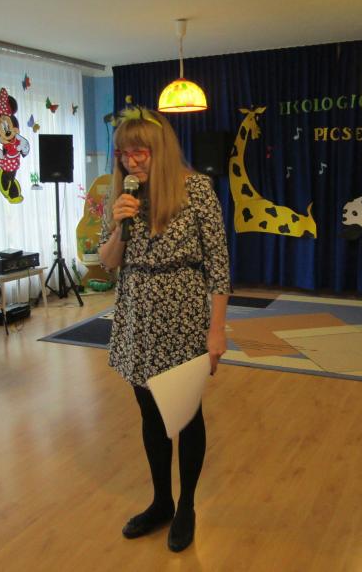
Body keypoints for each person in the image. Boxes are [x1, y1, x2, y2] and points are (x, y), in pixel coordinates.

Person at [98, 106, 231, 553]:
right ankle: (161, 502)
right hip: (136, 316)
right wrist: (118, 225)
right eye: (124, 153)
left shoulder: (197, 189)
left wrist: (217, 330)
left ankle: (187, 505)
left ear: (161, 149)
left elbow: (218, 266)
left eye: (140, 151)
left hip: (183, 316)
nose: (131, 161)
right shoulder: (122, 195)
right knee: (151, 416)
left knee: (185, 415)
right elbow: (108, 262)